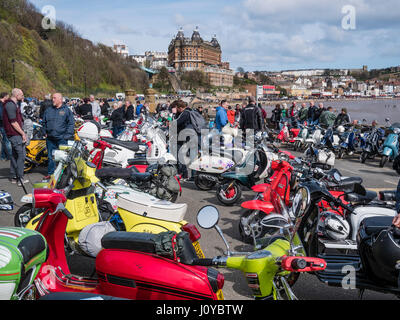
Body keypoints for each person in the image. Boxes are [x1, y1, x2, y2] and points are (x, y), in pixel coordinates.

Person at [42, 93, 75, 179]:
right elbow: (43, 122)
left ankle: (63, 175)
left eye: (54, 98)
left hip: (62, 139)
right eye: (52, 98)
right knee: (51, 157)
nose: (53, 100)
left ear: (60, 99)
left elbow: (71, 124)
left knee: (63, 158)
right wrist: (44, 131)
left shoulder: (66, 110)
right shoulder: (48, 110)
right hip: (50, 139)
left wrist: (67, 136)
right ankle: (51, 174)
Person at [2, 88, 28, 185]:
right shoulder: (10, 105)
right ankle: (19, 178)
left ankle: (13, 176)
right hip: (14, 134)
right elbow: (13, 122)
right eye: (21, 95)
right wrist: (22, 133)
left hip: (14, 134)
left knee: (15, 155)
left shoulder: (12, 104)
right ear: (16, 95)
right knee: (21, 155)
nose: (23, 96)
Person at [0, 92, 11, 161]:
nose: (8, 98)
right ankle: (10, 156)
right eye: (8, 97)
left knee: (4, 141)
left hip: (2, 124)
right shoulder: (1, 104)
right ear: (5, 97)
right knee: (7, 141)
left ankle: (3, 156)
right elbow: (1, 116)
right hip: (3, 124)